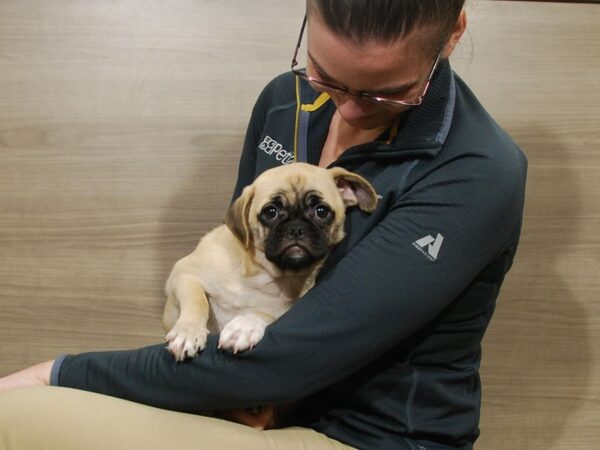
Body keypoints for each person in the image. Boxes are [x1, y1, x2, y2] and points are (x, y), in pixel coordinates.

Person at [0, 1, 527, 449]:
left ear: (453, 34)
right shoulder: (285, 99)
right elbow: (239, 254)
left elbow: (290, 360)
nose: (344, 106)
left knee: (18, 418)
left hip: (368, 435)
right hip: (255, 392)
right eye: (326, 73)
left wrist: (57, 372)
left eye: (382, 93)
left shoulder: (477, 173)